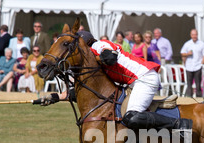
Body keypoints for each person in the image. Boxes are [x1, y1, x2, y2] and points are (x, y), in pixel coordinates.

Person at [40, 31, 191, 132]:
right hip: (132, 82)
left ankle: (179, 125)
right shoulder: (93, 58)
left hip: (144, 78)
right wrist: (55, 97)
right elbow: (91, 91)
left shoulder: (99, 45)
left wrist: (96, 59)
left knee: (131, 116)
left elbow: (110, 58)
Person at [180, 29, 204, 98]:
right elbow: (182, 53)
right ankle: (189, 98)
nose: (194, 36)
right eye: (193, 35)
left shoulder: (202, 44)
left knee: (198, 84)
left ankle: (199, 99)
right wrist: (187, 54)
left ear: (197, 35)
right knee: (189, 84)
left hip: (198, 66)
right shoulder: (187, 44)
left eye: (195, 34)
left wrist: (201, 63)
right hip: (189, 66)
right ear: (191, 35)